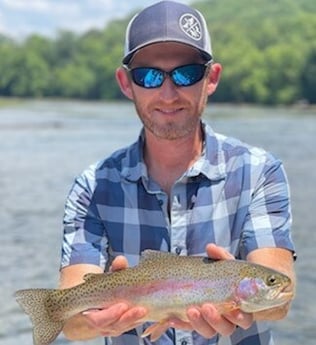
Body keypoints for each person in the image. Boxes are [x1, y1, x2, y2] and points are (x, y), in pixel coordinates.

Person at [59, 1, 296, 345]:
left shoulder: (260, 171)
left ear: (211, 78)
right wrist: (97, 321)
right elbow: (70, 322)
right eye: (149, 76)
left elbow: (280, 301)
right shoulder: (92, 187)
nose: (168, 94)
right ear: (126, 83)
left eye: (186, 73)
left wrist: (232, 292)